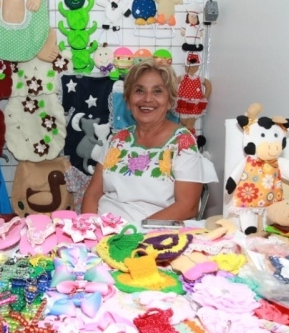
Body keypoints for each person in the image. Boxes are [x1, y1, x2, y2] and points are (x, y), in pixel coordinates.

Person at [82, 60, 213, 222]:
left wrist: (136, 231)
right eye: (139, 90)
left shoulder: (183, 142)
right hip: (104, 229)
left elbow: (188, 206)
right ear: (128, 100)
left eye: (157, 91)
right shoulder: (116, 140)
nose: (147, 99)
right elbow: (93, 194)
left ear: (170, 101)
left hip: (151, 233)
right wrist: (87, 228)